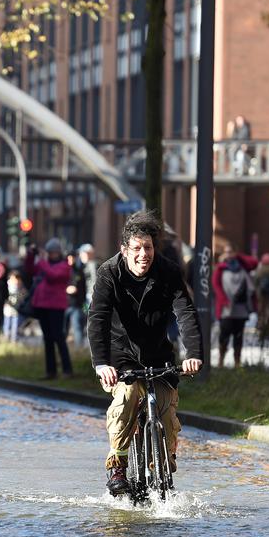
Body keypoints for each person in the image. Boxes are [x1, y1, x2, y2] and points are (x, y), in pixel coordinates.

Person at [87, 211, 203, 496]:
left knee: (166, 409)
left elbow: (185, 312)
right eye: (136, 249)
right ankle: (118, 465)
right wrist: (102, 363)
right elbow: (97, 318)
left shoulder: (168, 271)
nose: (143, 255)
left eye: (148, 248)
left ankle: (163, 465)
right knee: (126, 398)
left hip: (158, 354)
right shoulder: (109, 273)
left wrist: (193, 353)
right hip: (121, 354)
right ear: (124, 250)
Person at [24, 238, 73, 379]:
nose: (51, 255)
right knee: (47, 339)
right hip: (42, 306)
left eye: (53, 252)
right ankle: (51, 371)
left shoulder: (64, 266)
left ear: (58, 253)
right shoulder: (44, 264)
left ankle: (67, 370)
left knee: (59, 337)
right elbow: (29, 269)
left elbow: (52, 276)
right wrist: (31, 255)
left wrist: (42, 260)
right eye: (49, 252)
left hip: (56, 306)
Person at [216, 250, 253, 368]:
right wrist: (224, 301)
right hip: (226, 310)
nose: (229, 256)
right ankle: (221, 360)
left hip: (240, 309)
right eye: (226, 253)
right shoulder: (220, 270)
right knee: (224, 335)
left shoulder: (243, 268)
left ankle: (237, 362)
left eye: (231, 253)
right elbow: (216, 286)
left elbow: (254, 263)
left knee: (238, 336)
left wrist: (238, 255)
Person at [253, 252, 269, 350]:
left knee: (261, 314)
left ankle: (261, 334)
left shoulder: (260, 270)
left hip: (261, 297)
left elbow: (255, 283)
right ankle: (268, 333)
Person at [3, 270, 26, 343]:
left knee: (15, 324)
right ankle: (6, 338)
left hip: (16, 307)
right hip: (8, 307)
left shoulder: (20, 286)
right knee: (7, 323)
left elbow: (23, 295)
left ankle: (14, 339)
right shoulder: (7, 284)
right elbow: (5, 295)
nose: (15, 280)